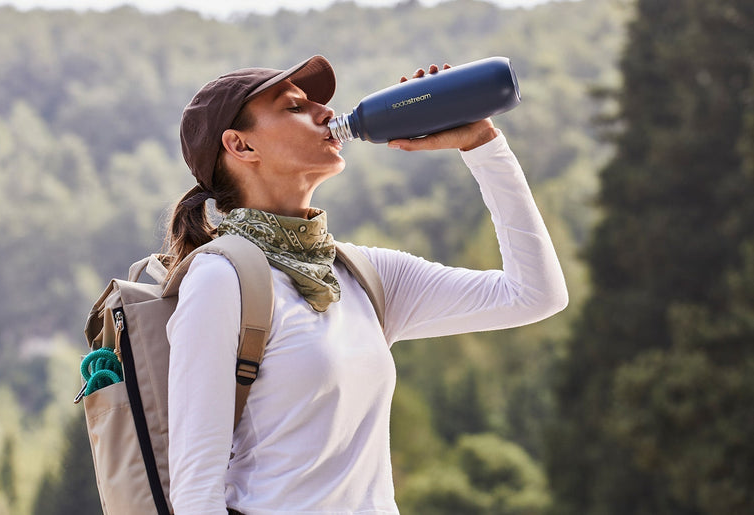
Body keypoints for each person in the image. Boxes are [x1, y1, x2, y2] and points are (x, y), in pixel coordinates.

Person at [165, 55, 568, 514]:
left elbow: (535, 295)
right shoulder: (221, 280)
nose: (324, 113)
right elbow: (196, 491)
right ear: (241, 146)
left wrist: (481, 144)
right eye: (294, 107)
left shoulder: (362, 275)